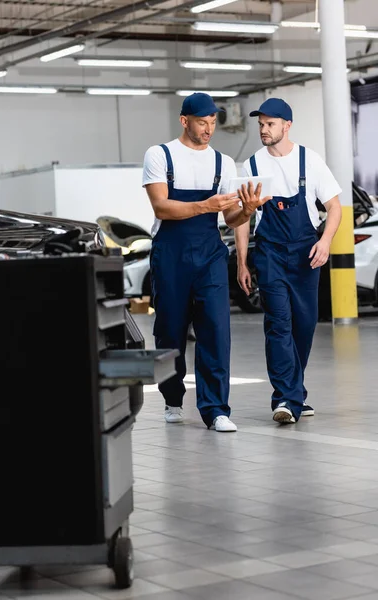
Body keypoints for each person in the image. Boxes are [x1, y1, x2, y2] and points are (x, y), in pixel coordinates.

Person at [142, 92, 266, 431]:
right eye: (202, 122)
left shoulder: (223, 162)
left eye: (213, 122)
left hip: (210, 253)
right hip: (171, 253)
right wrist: (204, 206)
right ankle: (171, 397)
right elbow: (161, 208)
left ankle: (215, 409)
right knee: (170, 329)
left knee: (215, 329)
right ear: (185, 121)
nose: (209, 128)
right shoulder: (160, 155)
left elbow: (231, 218)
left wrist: (249, 209)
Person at [234, 97, 342, 424]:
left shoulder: (310, 160)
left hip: (306, 252)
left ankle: (294, 392)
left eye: (270, 124)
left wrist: (325, 241)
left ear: (287, 125)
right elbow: (242, 219)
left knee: (304, 326)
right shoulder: (251, 165)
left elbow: (334, 207)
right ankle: (285, 399)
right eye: (261, 124)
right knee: (278, 323)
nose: (264, 130)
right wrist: (242, 261)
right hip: (270, 253)